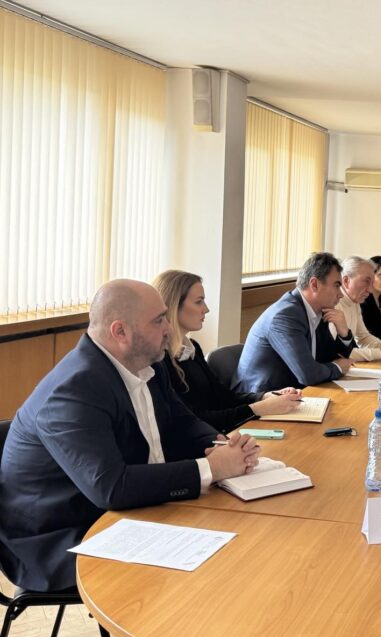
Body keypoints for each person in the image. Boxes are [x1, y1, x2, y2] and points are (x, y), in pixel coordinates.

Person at [0, 279, 260, 593]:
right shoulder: (73, 391)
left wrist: (225, 446)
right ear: (120, 332)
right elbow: (110, 487)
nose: (168, 329)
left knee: (243, 542)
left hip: (128, 511)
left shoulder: (148, 363)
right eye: (158, 320)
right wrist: (212, 468)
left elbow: (182, 422)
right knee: (209, 577)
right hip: (63, 536)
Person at [153, 270, 303, 433]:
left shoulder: (192, 348)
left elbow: (224, 397)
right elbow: (195, 421)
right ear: (174, 305)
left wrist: (265, 396)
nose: (206, 309)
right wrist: (259, 408)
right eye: (199, 302)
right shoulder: (159, 360)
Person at [235, 252, 356, 392]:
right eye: (336, 285)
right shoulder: (285, 316)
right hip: (264, 398)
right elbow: (309, 375)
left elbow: (335, 358)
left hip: (296, 392)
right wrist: (338, 367)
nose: (340, 294)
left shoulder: (319, 311)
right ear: (314, 284)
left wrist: (344, 333)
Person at [332, 256, 381, 361]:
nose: (370, 290)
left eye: (371, 283)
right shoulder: (333, 304)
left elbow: (364, 338)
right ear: (346, 281)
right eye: (366, 281)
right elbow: (337, 352)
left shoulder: (354, 301)